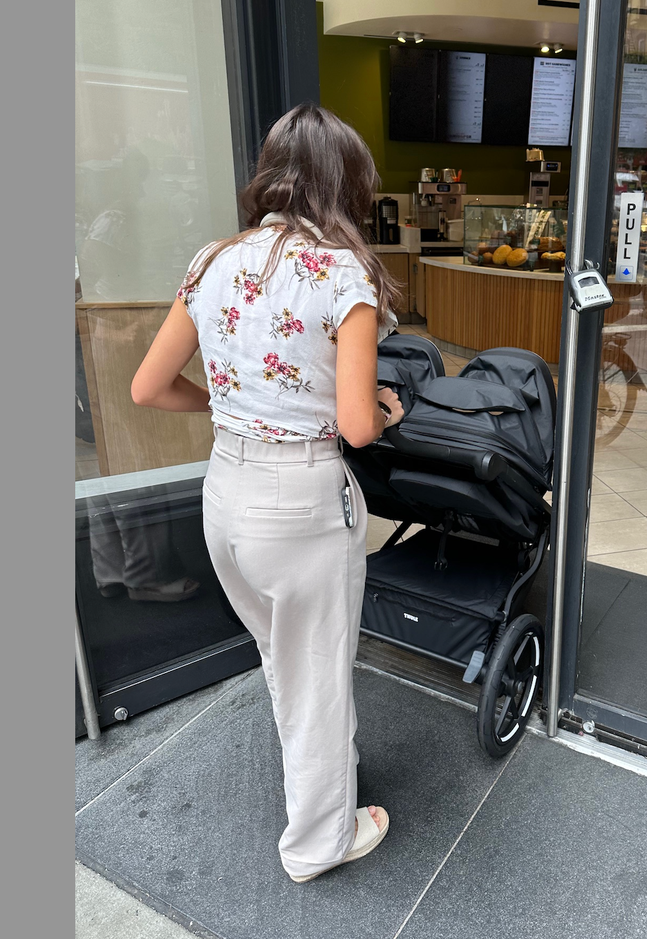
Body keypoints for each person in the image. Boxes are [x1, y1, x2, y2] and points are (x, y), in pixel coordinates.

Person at [130, 104, 405, 884]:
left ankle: (321, 775)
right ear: (345, 184)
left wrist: (228, 407)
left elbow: (148, 387)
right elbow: (354, 426)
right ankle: (319, 840)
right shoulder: (342, 273)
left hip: (225, 494)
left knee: (286, 660)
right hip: (301, 505)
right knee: (317, 676)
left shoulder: (212, 260)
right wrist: (386, 410)